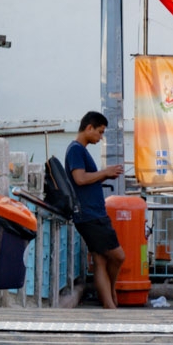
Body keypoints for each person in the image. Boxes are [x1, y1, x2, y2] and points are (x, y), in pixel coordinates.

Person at [65, 112, 127, 308]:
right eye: (99, 133)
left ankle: (109, 305)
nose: (100, 138)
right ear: (89, 127)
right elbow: (80, 179)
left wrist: (104, 176)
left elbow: (85, 180)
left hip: (91, 214)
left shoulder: (79, 150)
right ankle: (111, 293)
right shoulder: (76, 150)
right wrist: (105, 172)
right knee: (118, 256)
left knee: (100, 260)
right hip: (91, 215)